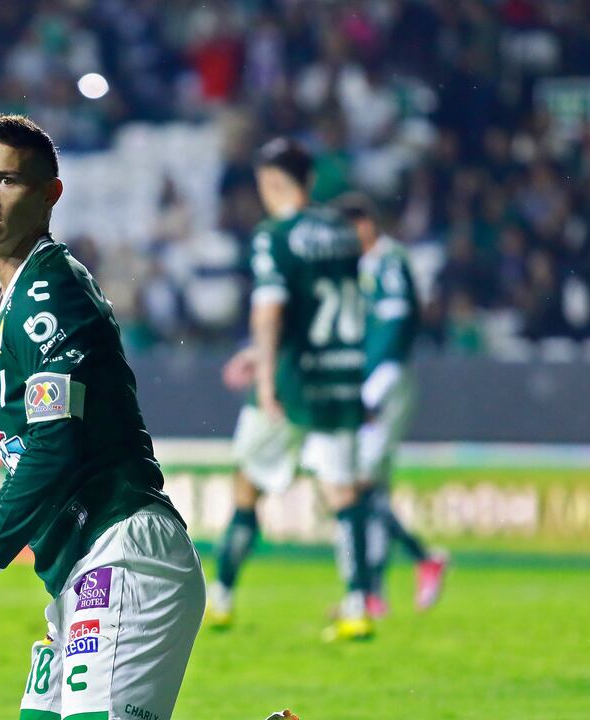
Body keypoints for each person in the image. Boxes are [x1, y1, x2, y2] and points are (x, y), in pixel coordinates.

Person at [0, 115, 204, 720]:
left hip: (122, 551)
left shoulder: (49, 290)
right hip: (78, 572)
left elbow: (55, 448)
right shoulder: (5, 312)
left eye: (7, 181)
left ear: (50, 195)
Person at [209, 138, 374, 642]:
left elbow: (272, 308)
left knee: (246, 488)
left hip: (292, 382)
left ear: (274, 182)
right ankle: (357, 606)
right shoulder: (344, 235)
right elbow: (326, 306)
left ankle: (221, 599)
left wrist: (264, 376)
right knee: (343, 495)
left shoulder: (274, 235)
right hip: (341, 376)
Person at [335, 192, 447, 616]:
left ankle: (380, 583)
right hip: (368, 383)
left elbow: (399, 323)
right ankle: (381, 587)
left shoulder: (390, 260)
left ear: (365, 224)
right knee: (370, 490)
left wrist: (374, 385)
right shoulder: (362, 267)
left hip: (386, 384)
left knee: (358, 484)